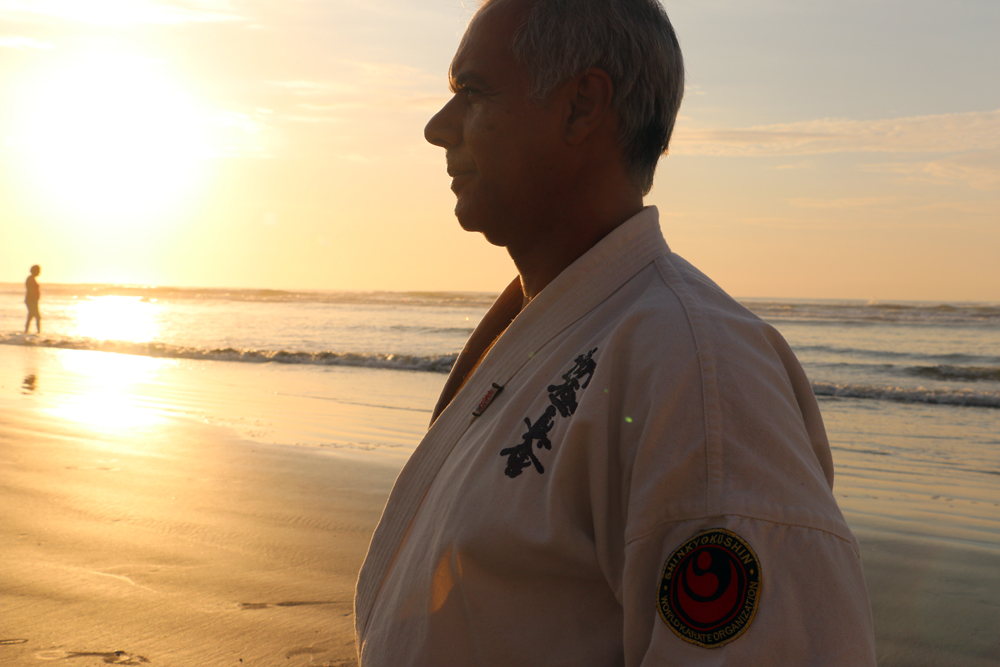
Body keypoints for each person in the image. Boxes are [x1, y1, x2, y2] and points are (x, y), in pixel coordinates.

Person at [354, 0, 877, 664]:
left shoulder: (698, 376)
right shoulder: (554, 331)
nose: (437, 127)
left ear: (581, 107)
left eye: (474, 92)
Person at [25, 264, 41, 334]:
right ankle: (39, 332)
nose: (39, 272)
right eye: (38, 271)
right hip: (31, 300)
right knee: (37, 316)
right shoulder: (30, 279)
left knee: (31, 316)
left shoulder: (32, 279)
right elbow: (30, 290)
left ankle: (27, 331)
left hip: (32, 300)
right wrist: (34, 299)